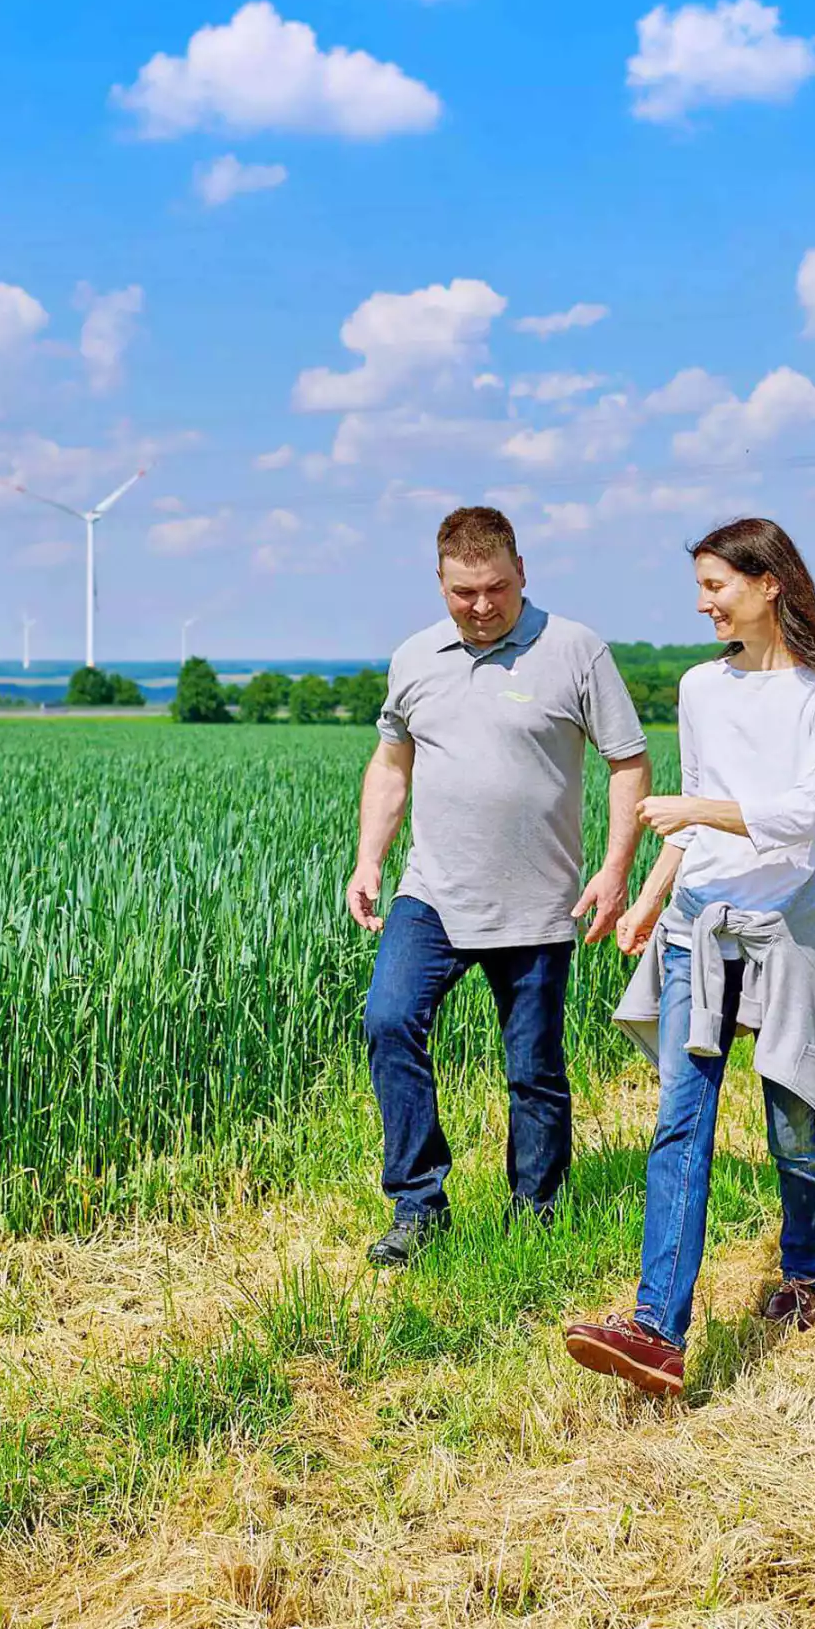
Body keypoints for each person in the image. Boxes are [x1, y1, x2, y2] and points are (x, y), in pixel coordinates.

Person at [562, 517, 815, 1397]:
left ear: (768, 583)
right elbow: (691, 807)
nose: (702, 604)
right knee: (680, 1123)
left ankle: (805, 1269)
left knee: (795, 1127)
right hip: (695, 931)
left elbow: (798, 816)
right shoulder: (700, 687)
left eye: (715, 586)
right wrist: (653, 895)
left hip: (782, 931)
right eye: (700, 587)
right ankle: (658, 1327)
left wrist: (695, 815)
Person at [347, 506, 653, 1266]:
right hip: (434, 897)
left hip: (541, 903)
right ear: (440, 582)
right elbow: (391, 764)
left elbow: (629, 763)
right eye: (463, 592)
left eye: (496, 589)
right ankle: (419, 1206)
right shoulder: (414, 658)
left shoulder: (577, 651)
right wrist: (368, 860)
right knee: (388, 1023)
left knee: (535, 1070)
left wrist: (615, 870)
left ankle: (537, 1215)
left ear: (523, 573)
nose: (481, 607)